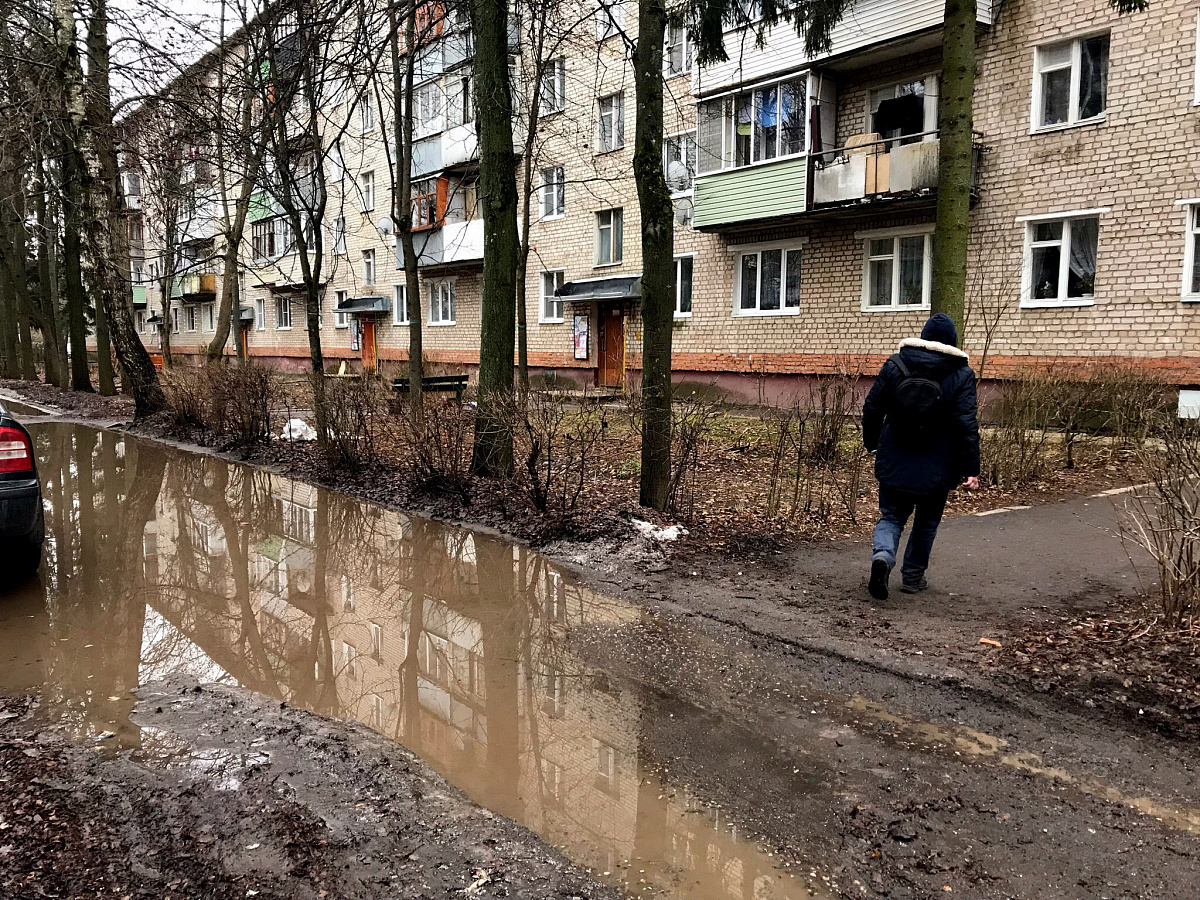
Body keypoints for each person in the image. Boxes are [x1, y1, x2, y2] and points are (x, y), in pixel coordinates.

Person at [862, 313, 981, 600]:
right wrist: (971, 469)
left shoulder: (896, 364)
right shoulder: (961, 374)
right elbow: (966, 424)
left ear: (924, 337)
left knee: (891, 516)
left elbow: (872, 409)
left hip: (895, 457)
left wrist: (873, 444)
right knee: (926, 523)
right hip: (938, 465)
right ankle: (913, 578)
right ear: (953, 341)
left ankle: (883, 556)